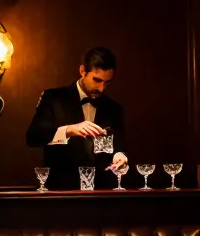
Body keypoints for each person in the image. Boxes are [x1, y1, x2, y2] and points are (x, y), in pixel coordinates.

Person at [25, 47, 128, 190]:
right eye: (97, 80)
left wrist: (120, 156)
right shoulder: (53, 98)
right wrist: (69, 130)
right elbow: (33, 137)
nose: (101, 88)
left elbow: (120, 145)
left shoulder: (113, 108)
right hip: (62, 191)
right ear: (82, 71)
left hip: (102, 192)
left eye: (106, 82)